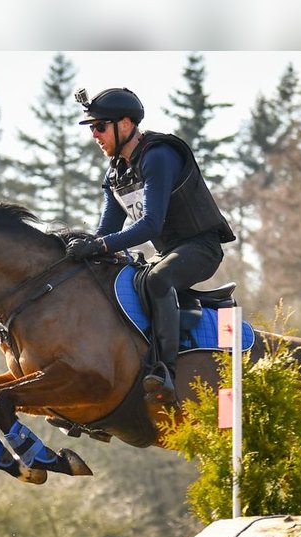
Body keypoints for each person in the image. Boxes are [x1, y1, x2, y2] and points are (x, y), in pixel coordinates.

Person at [67, 87, 236, 405]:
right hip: (167, 251)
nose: (94, 135)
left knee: (157, 279)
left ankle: (164, 372)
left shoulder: (158, 156)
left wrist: (100, 246)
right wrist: (81, 247)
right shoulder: (115, 173)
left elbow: (149, 226)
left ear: (126, 124)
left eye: (100, 126)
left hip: (200, 247)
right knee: (112, 277)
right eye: (92, 128)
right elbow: (107, 230)